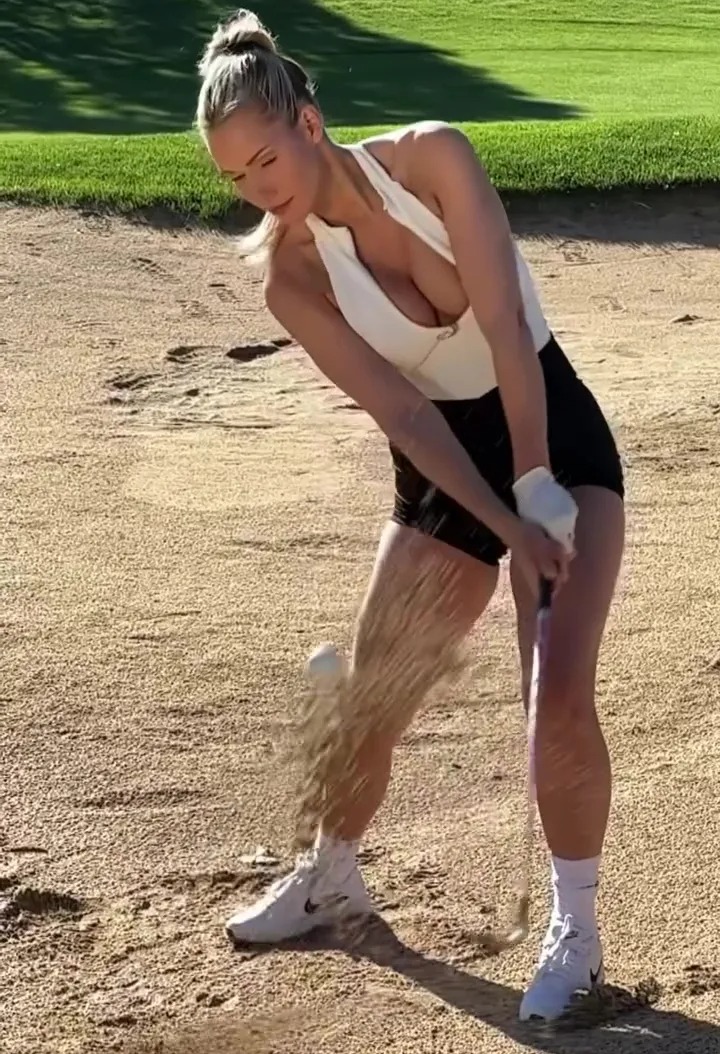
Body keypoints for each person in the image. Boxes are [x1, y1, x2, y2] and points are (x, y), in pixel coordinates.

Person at [195, 8, 625, 1024]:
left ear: (309, 117)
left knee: (554, 695)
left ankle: (580, 933)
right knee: (369, 704)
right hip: (442, 465)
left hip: (550, 433)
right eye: (236, 178)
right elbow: (402, 411)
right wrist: (500, 520)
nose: (259, 189)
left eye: (265, 158)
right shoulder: (291, 275)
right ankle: (331, 875)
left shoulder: (435, 160)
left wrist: (533, 484)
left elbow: (510, 326)